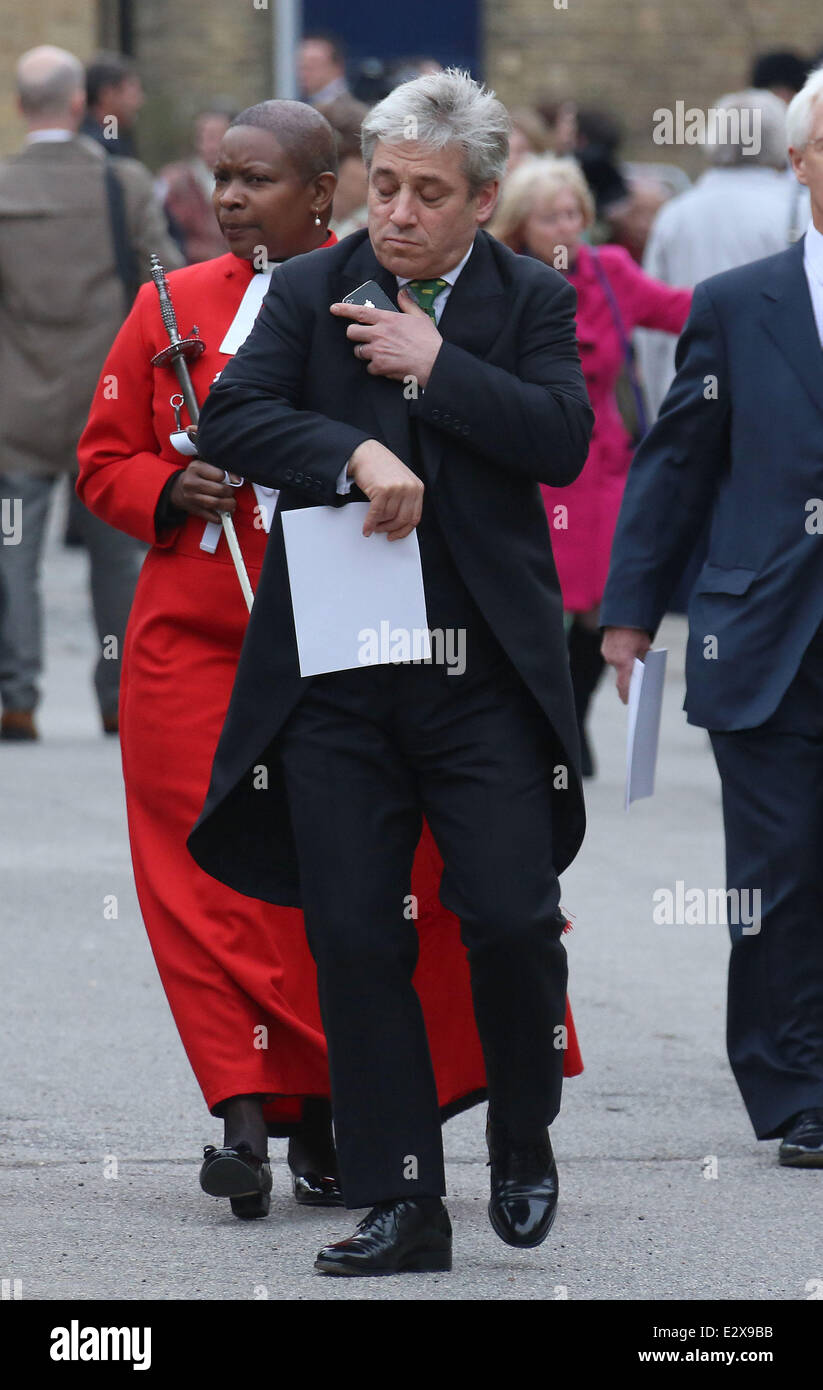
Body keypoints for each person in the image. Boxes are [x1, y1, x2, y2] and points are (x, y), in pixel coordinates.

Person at [77, 97, 585, 1222]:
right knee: (355, 938)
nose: (398, 212)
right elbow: (236, 421)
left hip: (479, 675)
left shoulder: (531, 295)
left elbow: (561, 440)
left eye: (430, 193)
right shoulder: (309, 290)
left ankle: (519, 1129)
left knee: (507, 916)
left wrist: (435, 362)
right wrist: (350, 448)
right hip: (337, 677)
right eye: (386, 185)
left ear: (483, 200)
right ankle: (401, 1200)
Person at [601, 64, 823, 1171]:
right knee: (778, 868)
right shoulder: (740, 306)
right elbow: (675, 466)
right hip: (767, 632)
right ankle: (795, 1086)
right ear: (800, 165)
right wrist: (630, 612)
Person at [0, 46, 182, 742]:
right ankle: (120, 696)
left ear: (21, 106)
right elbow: (163, 293)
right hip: (110, 406)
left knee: (13, 556)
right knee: (119, 559)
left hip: (14, 406)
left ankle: (17, 698)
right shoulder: (124, 183)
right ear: (80, 104)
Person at [491, 155, 691, 775]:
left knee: (606, 604)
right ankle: (552, 726)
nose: (566, 227)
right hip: (539, 465)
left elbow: (682, 309)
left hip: (607, 466)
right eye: (551, 216)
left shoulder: (612, 272)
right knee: (548, 604)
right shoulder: (502, 281)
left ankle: (571, 717)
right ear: (521, 224)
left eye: (574, 213)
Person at [637, 89, 799, 420]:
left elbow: (648, 325)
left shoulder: (675, 215)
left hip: (687, 397)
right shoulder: (796, 212)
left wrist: (658, 411)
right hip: (775, 405)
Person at [157, 107, 235, 264]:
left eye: (216, 137)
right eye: (204, 137)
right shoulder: (177, 182)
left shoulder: (243, 183)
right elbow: (164, 235)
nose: (209, 145)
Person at [298, 32, 367, 133]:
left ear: (338, 67)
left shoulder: (353, 116)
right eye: (302, 65)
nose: (304, 72)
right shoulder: (305, 108)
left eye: (313, 64)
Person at [80, 51, 144, 158]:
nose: (140, 100)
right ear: (108, 95)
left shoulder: (110, 134)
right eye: (134, 92)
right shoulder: (98, 147)